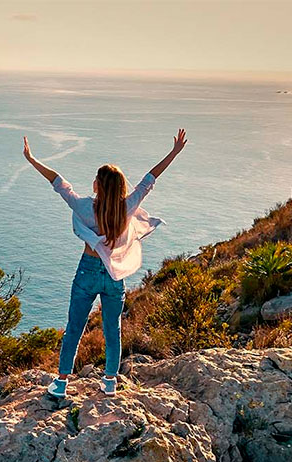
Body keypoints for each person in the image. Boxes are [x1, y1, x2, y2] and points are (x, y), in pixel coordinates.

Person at [22, 129, 187, 398]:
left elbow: (58, 182)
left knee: (74, 327)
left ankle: (62, 383)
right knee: (113, 329)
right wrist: (174, 152)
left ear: (98, 184)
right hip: (113, 274)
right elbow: (150, 179)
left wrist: (32, 159)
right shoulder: (127, 207)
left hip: (87, 270)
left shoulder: (84, 206)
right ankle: (109, 381)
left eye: (96, 178)